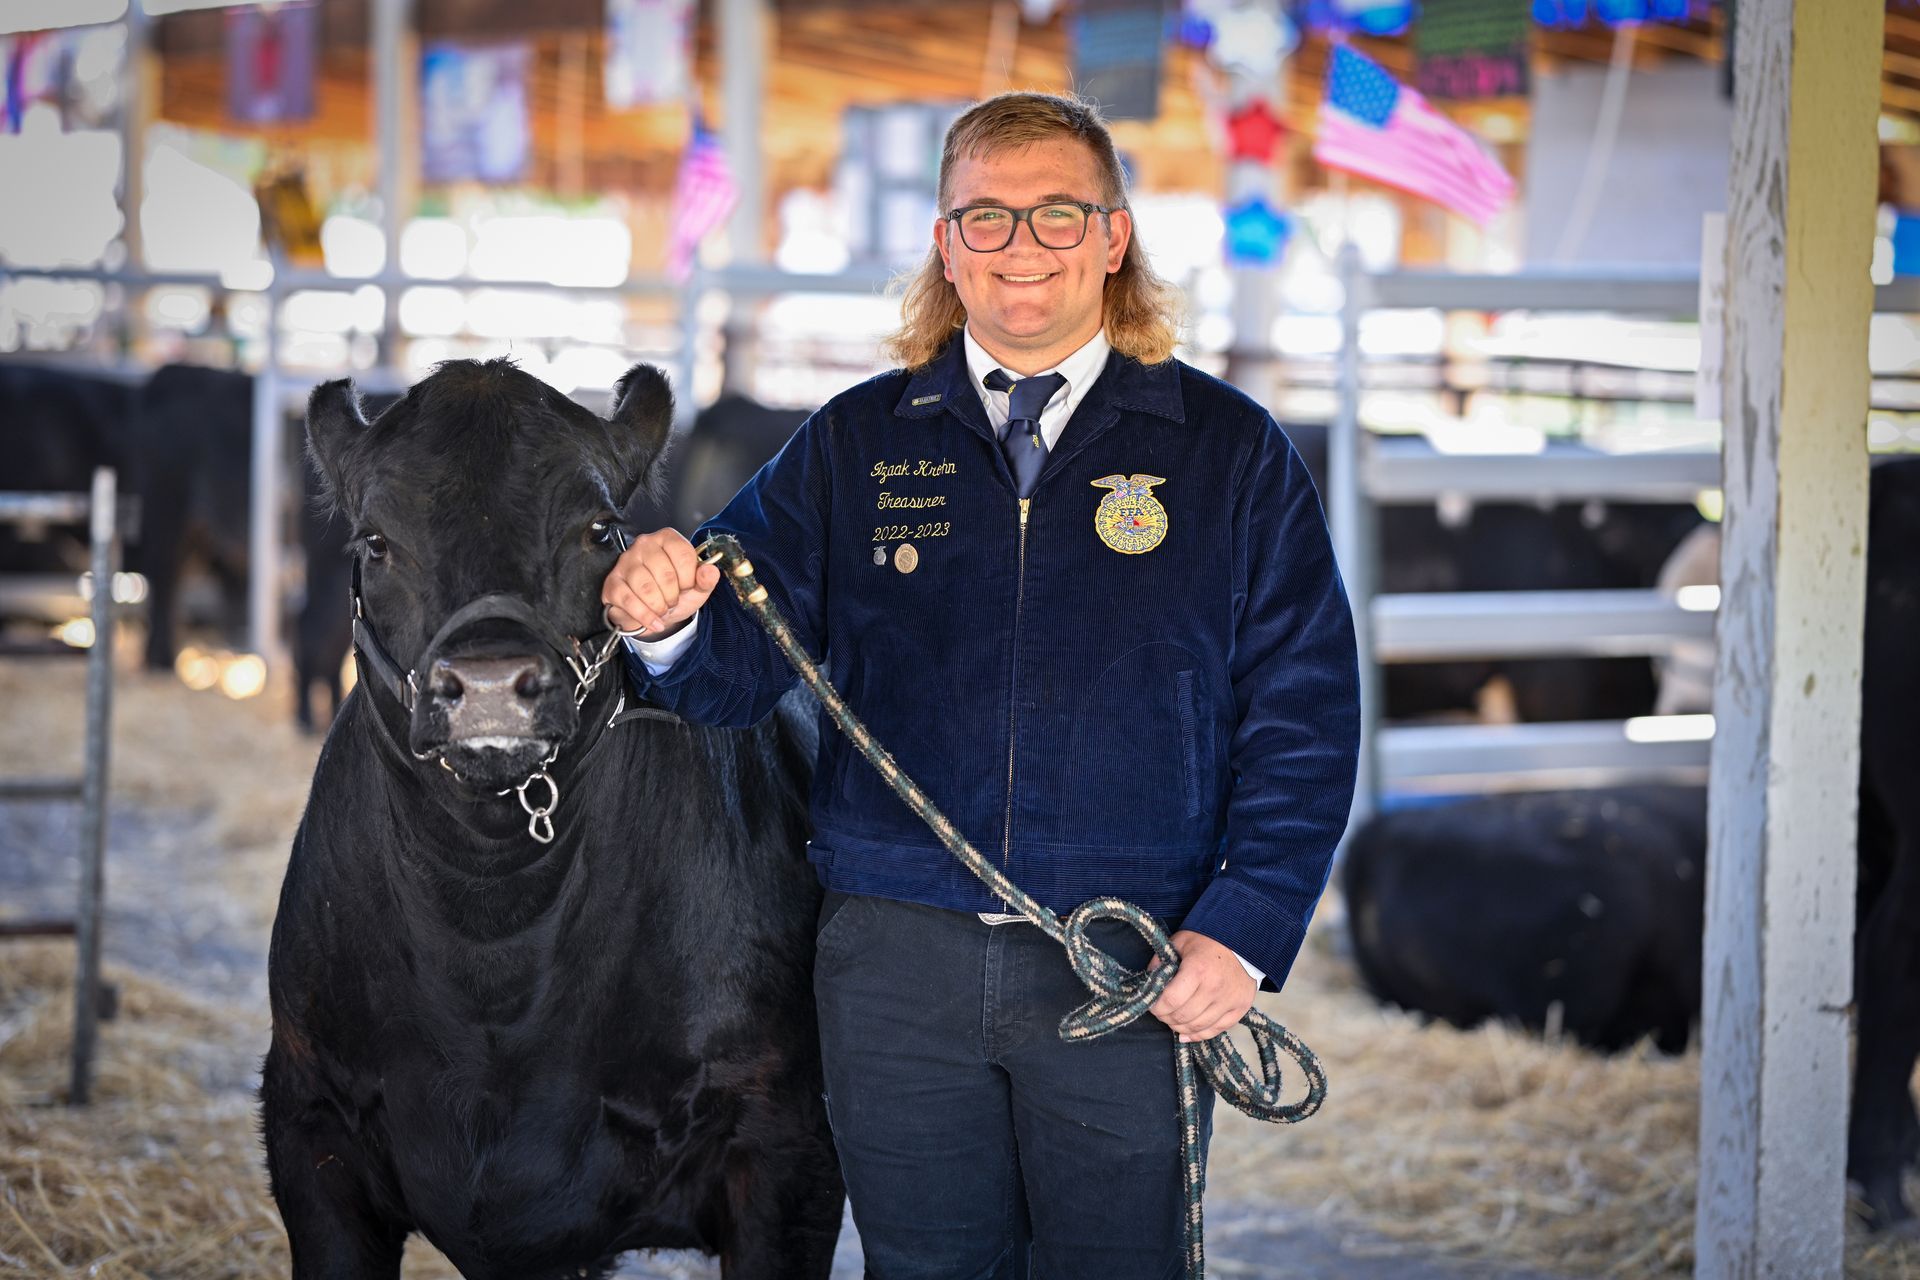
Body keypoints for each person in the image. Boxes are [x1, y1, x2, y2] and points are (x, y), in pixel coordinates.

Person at [603, 91, 1359, 1278]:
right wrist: (663, 620)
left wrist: (1246, 924)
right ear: (946, 246)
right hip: (898, 964)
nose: (1023, 251)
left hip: (1129, 957)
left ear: (1114, 238)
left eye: (1058, 216)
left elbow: (1304, 710)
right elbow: (732, 675)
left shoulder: (1228, 451)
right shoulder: (856, 444)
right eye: (987, 219)